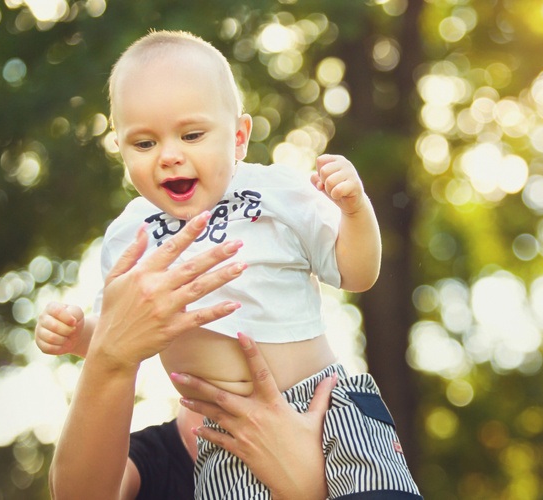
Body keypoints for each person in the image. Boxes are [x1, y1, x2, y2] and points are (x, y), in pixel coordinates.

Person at [38, 30, 421, 499]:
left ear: (238, 137)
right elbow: (119, 336)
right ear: (119, 147)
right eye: (143, 144)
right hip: (220, 438)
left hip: (328, 407)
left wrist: (356, 211)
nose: (169, 155)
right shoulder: (129, 236)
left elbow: (356, 274)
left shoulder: (277, 192)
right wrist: (79, 334)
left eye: (192, 134)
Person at [43, 218, 335, 499]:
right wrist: (107, 354)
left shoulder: (349, 442)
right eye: (205, 313)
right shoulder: (147, 463)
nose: (242, 335)